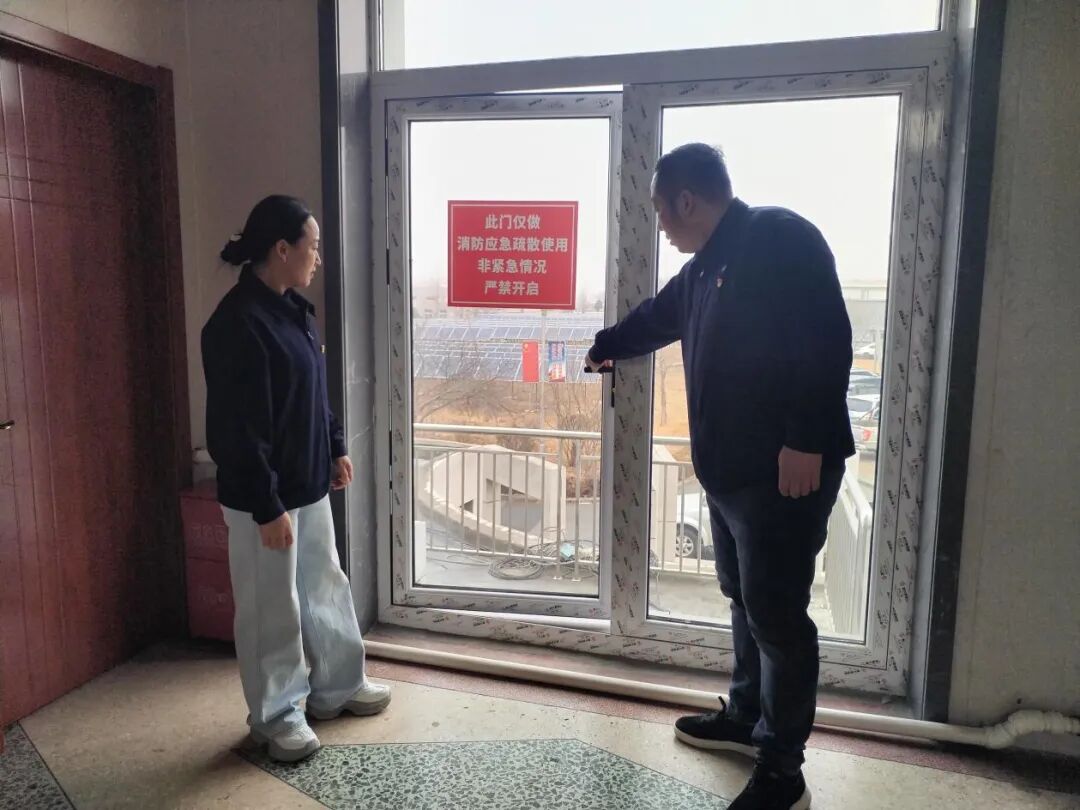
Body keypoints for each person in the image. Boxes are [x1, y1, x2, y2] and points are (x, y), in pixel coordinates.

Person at [586, 144, 854, 810]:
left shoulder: (779, 238)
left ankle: (782, 770)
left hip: (783, 475)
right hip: (730, 479)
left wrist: (805, 439)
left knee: (778, 617)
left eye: (662, 213)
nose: (661, 227)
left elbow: (827, 341)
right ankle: (744, 715)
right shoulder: (704, 269)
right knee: (743, 599)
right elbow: (656, 319)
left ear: (688, 200)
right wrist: (605, 345)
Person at [202, 195, 390, 763]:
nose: (318, 258)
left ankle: (337, 686)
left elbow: (313, 392)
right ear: (282, 249)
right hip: (264, 497)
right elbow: (236, 430)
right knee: (271, 605)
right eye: (313, 247)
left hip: (307, 484)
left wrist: (334, 446)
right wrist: (267, 506)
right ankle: (276, 715)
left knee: (323, 582)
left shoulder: (295, 312)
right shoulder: (236, 324)